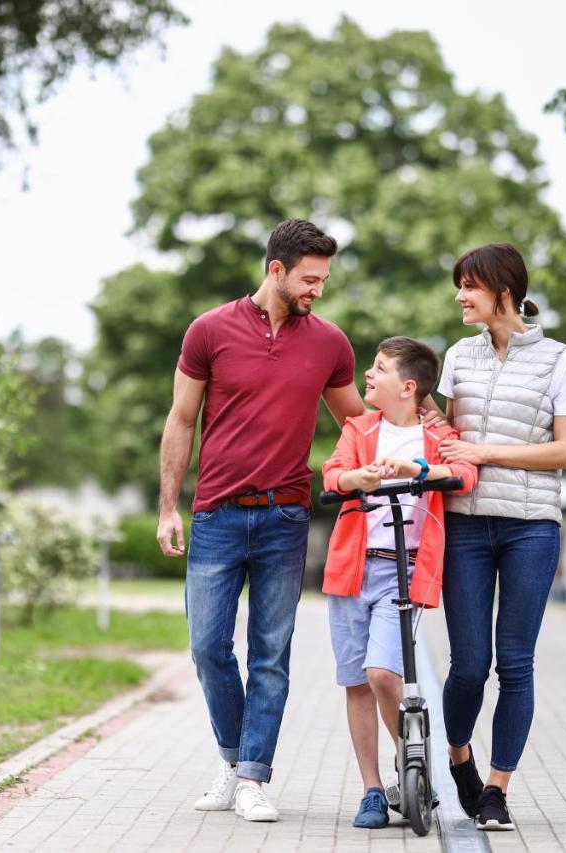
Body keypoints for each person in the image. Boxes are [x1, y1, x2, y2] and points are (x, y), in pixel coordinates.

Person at [156, 219, 366, 823]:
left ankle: (251, 776)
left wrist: (423, 414)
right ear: (276, 269)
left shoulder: (330, 344)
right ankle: (232, 757)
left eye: (323, 280)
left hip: (284, 517)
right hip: (218, 513)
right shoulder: (209, 331)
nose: (317, 291)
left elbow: (357, 422)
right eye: (309, 279)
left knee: (270, 654)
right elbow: (180, 419)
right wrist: (169, 506)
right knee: (207, 648)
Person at [424, 243, 566, 831]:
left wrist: (486, 451)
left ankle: (496, 789)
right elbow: (448, 435)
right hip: (466, 523)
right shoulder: (458, 357)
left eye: (468, 286)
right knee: (468, 665)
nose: (459, 296)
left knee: (515, 664)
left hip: (531, 529)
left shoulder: (560, 360)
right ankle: (458, 756)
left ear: (503, 291)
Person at [320, 336, 478, 829]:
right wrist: (355, 481)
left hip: (402, 571)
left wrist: (419, 470)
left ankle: (408, 760)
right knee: (355, 682)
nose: (368, 374)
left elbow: (464, 473)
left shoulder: (438, 436)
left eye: (380, 368)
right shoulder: (359, 429)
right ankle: (372, 789)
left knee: (382, 673)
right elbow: (332, 474)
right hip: (351, 567)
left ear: (409, 387)